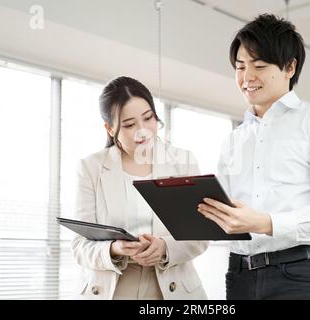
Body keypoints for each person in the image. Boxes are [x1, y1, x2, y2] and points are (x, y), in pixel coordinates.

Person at [197, 14, 310, 300]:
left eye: (259, 66)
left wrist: (265, 222)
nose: (247, 78)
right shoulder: (233, 140)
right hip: (239, 275)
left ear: (290, 67)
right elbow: (223, 212)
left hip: (300, 274)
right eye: (240, 67)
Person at [72, 76, 208, 300]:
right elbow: (80, 246)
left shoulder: (182, 161)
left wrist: (164, 248)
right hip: (113, 286)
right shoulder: (90, 168)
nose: (143, 130)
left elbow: (199, 237)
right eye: (129, 125)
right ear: (109, 128)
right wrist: (114, 249)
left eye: (148, 118)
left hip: (171, 285)